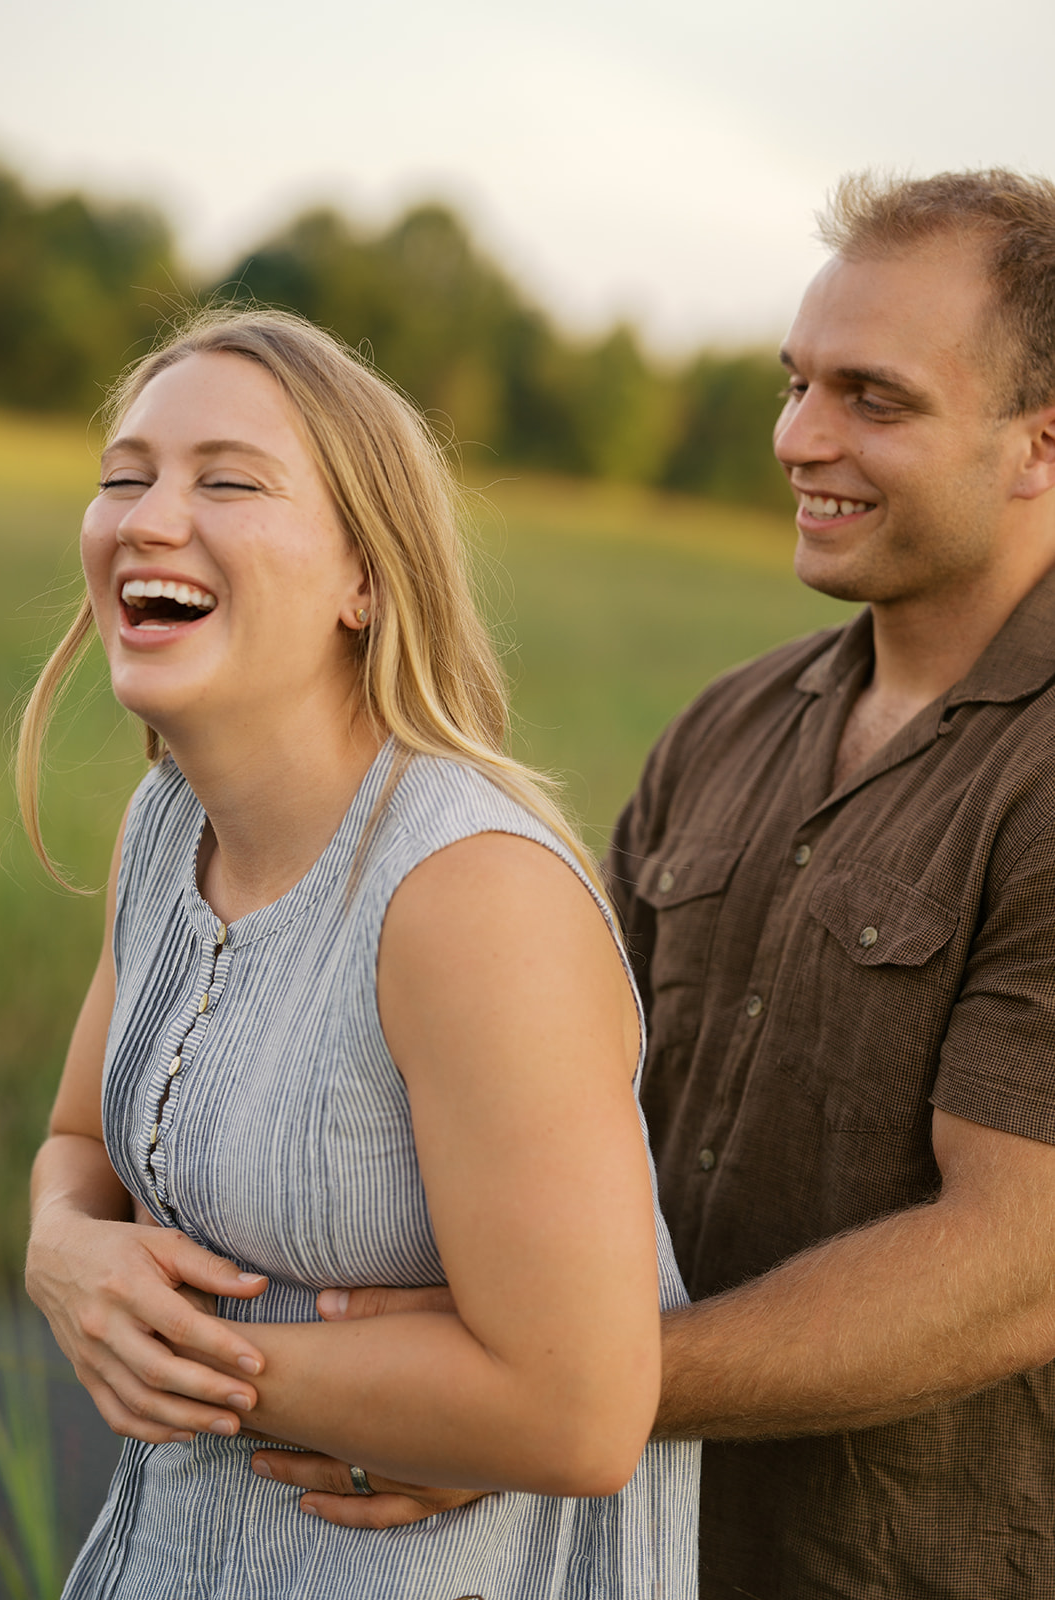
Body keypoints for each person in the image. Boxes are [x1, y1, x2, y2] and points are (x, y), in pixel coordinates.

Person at [257, 169, 1055, 1598]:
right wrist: (90, 1229)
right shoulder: (731, 721)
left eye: (874, 399)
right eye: (795, 382)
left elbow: (1015, 1264)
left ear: (1040, 446)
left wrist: (553, 1398)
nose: (799, 438)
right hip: (622, 1546)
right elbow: (533, 1094)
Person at [22, 308, 700, 1599]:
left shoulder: (469, 896)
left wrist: (186, 1357)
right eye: (126, 476)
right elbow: (76, 1150)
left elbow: (581, 1410)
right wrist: (64, 1253)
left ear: (366, 580)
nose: (149, 518)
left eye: (228, 479)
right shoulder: (165, 830)